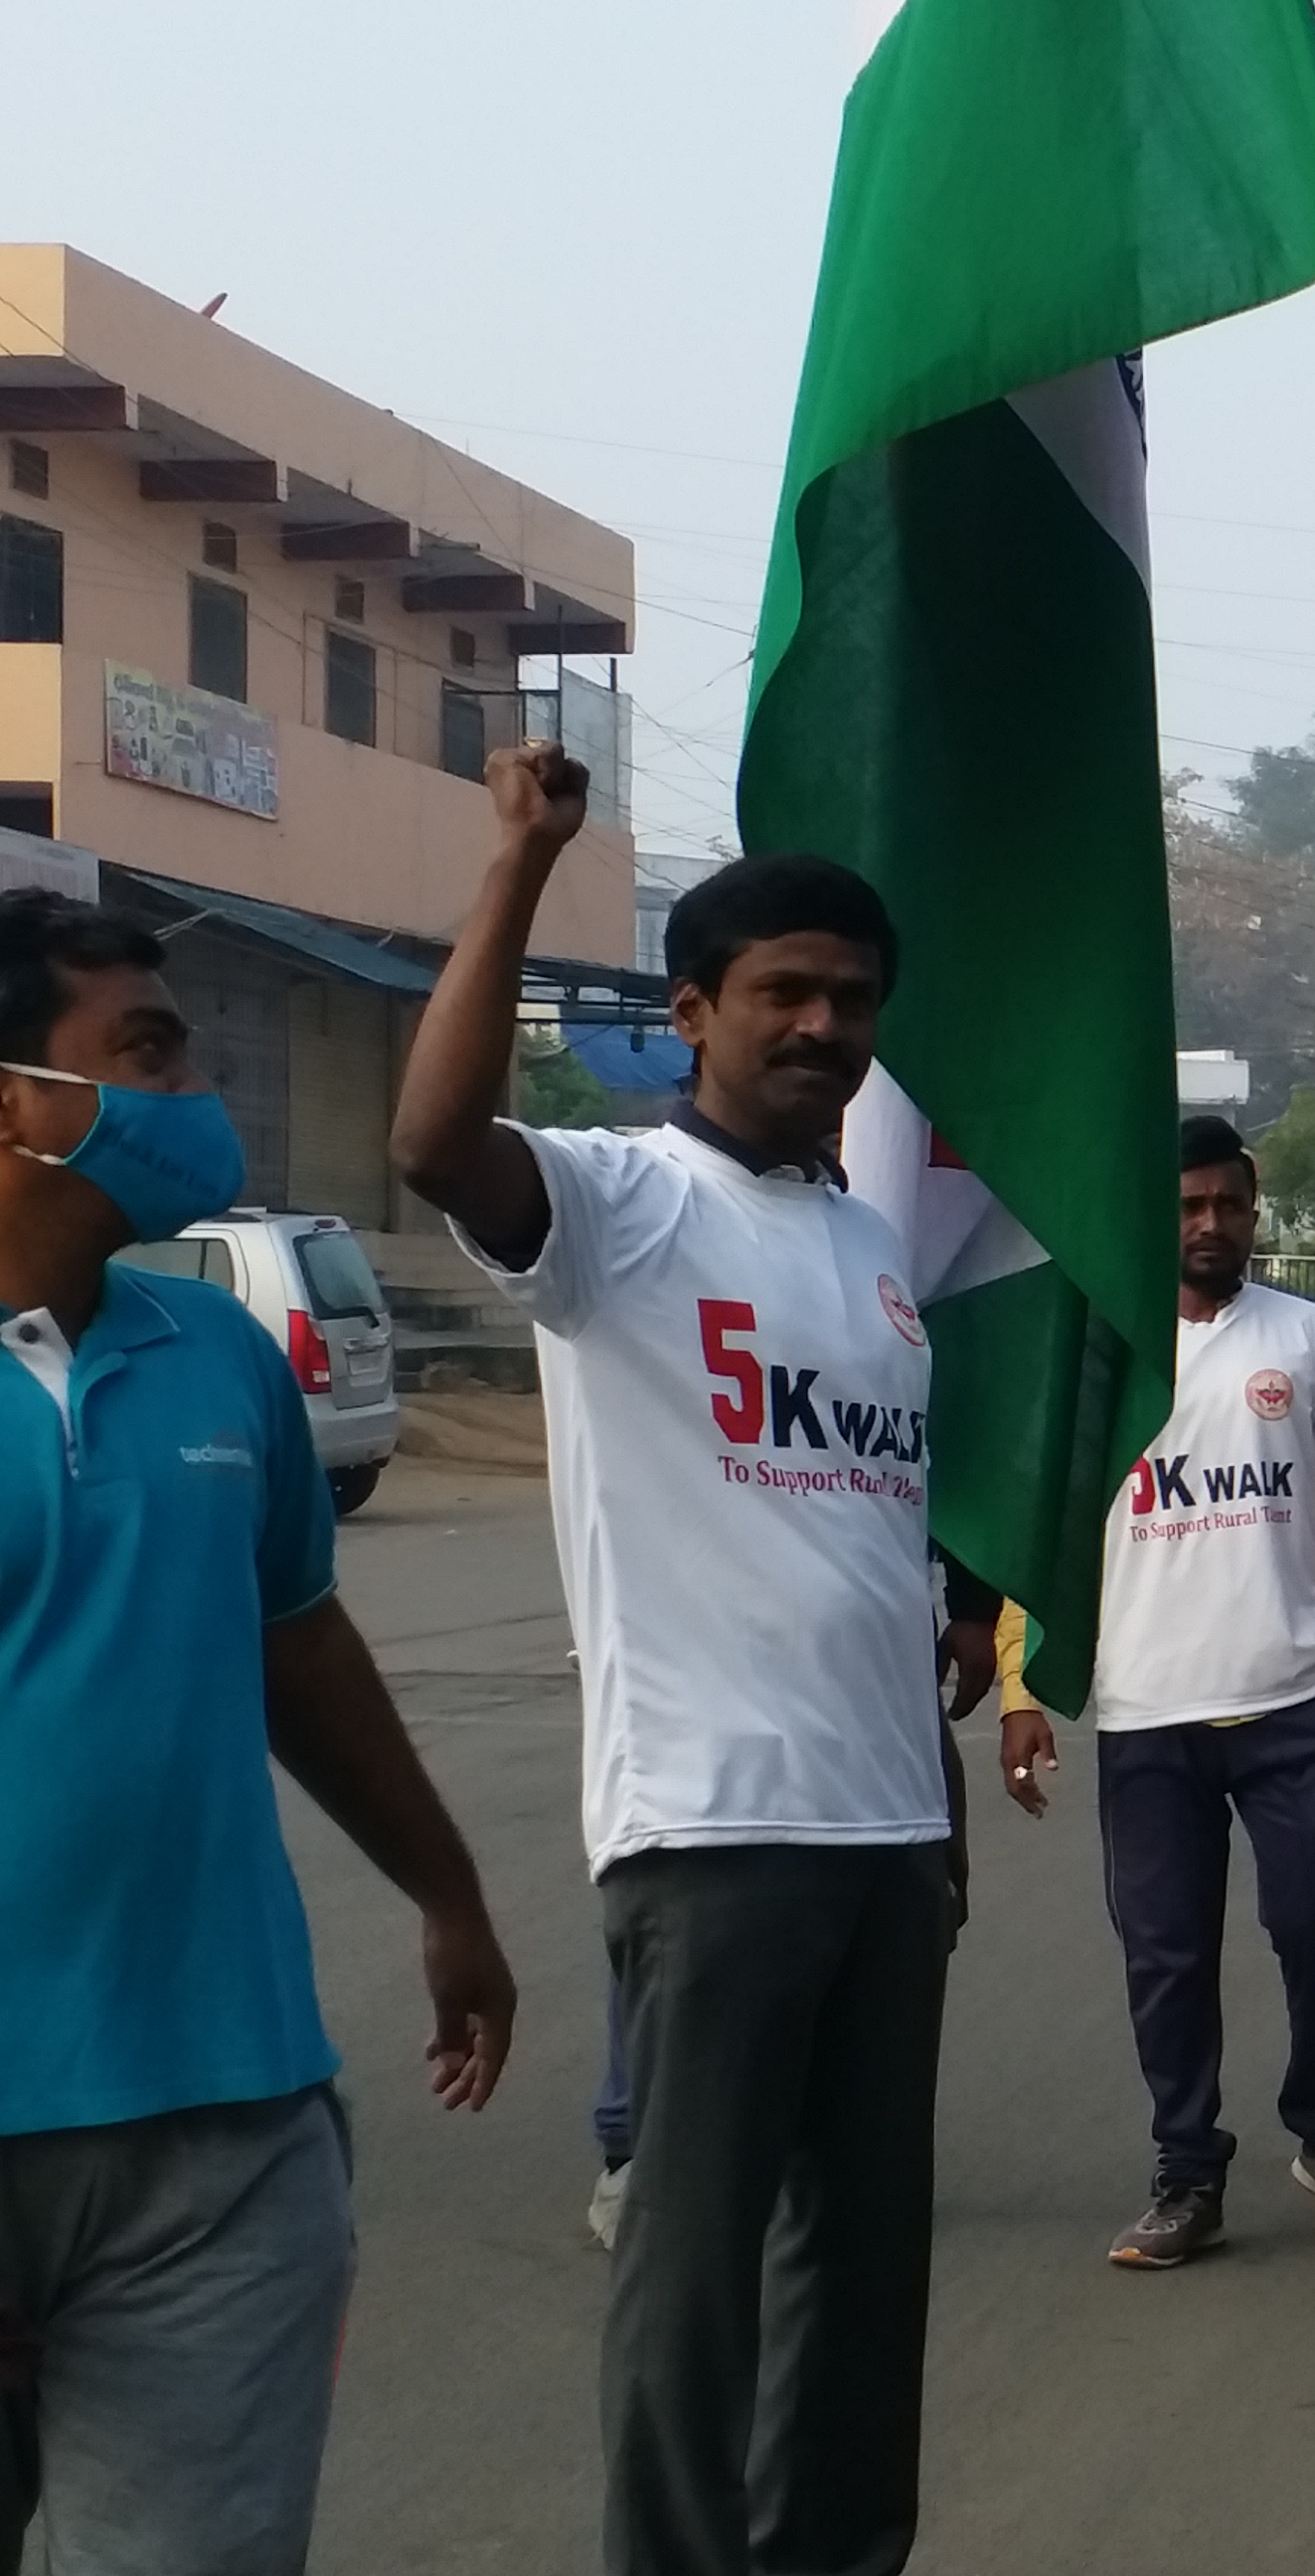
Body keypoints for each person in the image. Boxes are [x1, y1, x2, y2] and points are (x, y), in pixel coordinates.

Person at [391, 747, 953, 2576]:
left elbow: (866, 1527)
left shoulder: (870, 1253)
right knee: (697, 2281)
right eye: (781, 992)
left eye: (850, 999)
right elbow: (429, 1144)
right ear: (692, 1011)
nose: (819, 1023)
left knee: (864, 2279)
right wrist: (521, 868)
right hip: (712, 1826)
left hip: (887, 1835)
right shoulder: (617, 1203)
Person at [0, 889, 517, 2571]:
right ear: (17, 1099)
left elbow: (299, 1645)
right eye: (142, 1054)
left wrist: (448, 1891)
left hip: (219, 2124)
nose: (191, 1089)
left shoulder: (218, 1353)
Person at [989, 1117, 1315, 2270]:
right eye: (1186, 1207)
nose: (1211, 1225)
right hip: (1145, 1710)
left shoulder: (1309, 1337)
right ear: (1151, 1216)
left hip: (1295, 1698)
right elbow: (1051, 1541)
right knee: (1165, 1955)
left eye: (1228, 1204)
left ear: (1253, 1206)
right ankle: (1185, 2172)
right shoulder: (1098, 1352)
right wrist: (1023, 1686)